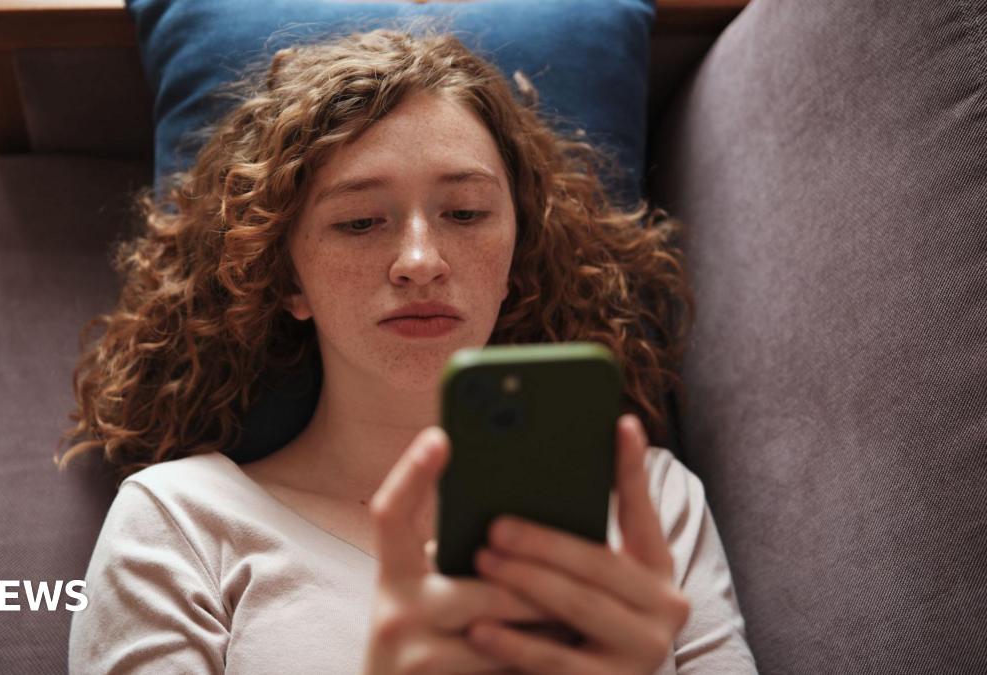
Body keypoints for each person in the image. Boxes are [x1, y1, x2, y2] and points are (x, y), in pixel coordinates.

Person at [58, 20, 757, 675]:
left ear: (516, 258)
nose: (420, 261)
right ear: (287, 279)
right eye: (361, 221)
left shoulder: (652, 504)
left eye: (466, 213)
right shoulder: (180, 524)